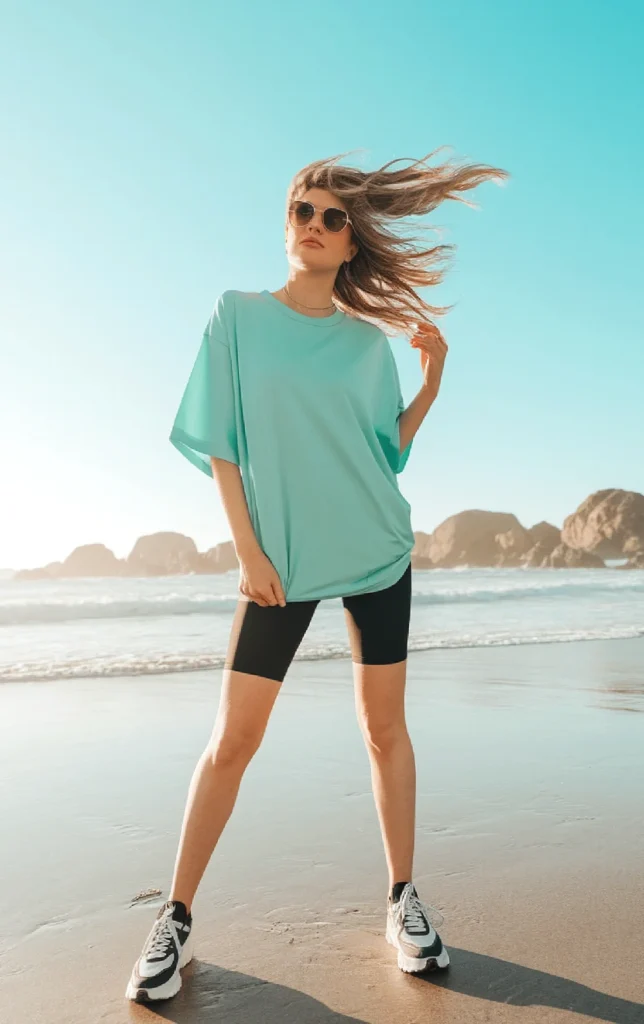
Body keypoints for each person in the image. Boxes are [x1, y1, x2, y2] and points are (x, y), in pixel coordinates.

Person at [125, 149, 508, 1002]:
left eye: (334, 217)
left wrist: (435, 380)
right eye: (304, 208)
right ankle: (174, 918)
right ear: (288, 222)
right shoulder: (236, 317)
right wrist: (247, 550)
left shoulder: (368, 346)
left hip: (375, 551)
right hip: (279, 564)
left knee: (383, 731)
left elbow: (388, 453)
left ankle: (402, 899)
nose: (316, 224)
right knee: (233, 742)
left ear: (350, 244)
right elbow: (219, 441)